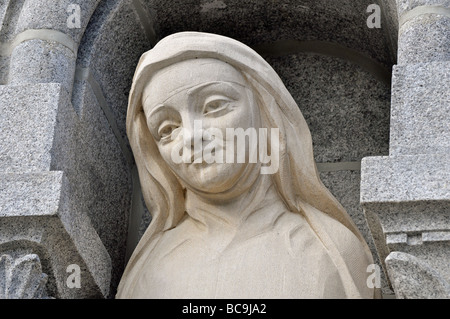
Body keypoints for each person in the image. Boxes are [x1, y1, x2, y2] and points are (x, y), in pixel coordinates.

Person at [116, 32, 377, 298]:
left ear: (265, 112)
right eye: (168, 128)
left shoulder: (334, 250)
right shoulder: (148, 274)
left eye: (214, 106)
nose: (191, 137)